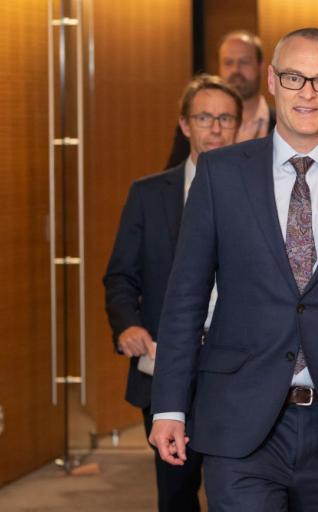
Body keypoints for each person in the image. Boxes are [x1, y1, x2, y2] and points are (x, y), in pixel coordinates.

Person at [149, 28, 318, 512]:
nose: (307, 92)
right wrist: (169, 405)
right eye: (295, 77)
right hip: (239, 421)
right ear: (272, 83)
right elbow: (185, 298)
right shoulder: (221, 173)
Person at [103, 74, 243, 512]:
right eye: (205, 117)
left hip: (239, 369)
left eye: (225, 118)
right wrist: (128, 323)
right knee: (177, 493)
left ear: (239, 126)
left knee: (239, 486)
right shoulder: (148, 194)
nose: (216, 128)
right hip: (169, 367)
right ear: (185, 125)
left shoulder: (262, 195)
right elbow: (121, 275)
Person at [165, 30, 275, 168]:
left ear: (261, 66)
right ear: (219, 67)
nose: (236, 70)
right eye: (228, 62)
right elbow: (174, 180)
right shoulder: (195, 123)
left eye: (244, 62)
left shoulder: (283, 125)